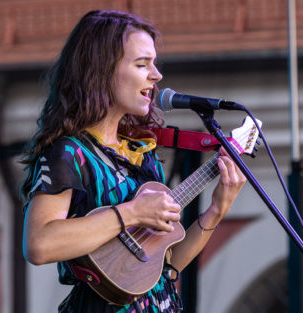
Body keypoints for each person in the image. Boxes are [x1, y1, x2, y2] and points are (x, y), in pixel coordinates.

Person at [21, 10, 246, 313]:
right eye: (142, 64)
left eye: (154, 63)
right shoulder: (70, 154)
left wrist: (218, 209)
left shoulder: (142, 154)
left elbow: (161, 266)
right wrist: (132, 212)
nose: (156, 75)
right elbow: (39, 244)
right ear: (101, 71)